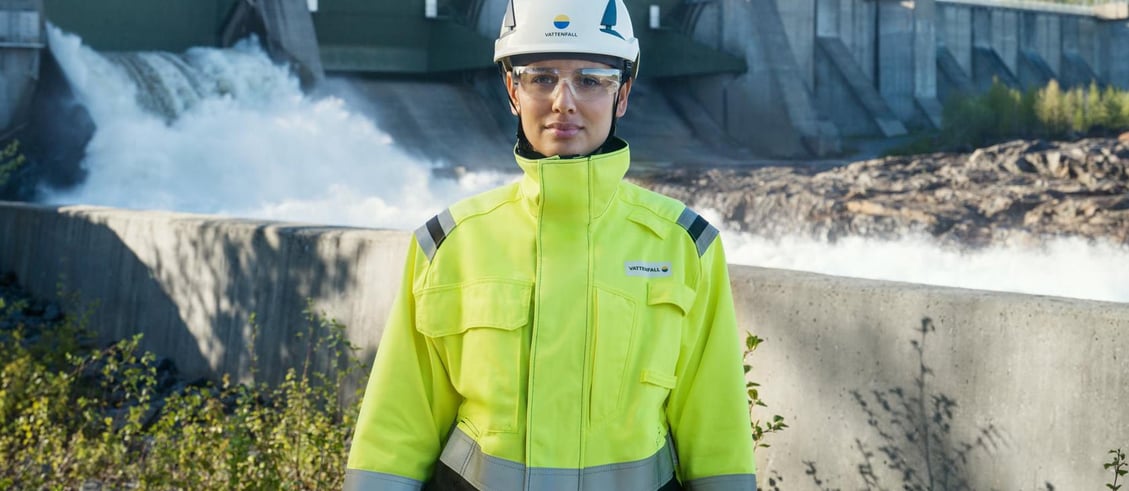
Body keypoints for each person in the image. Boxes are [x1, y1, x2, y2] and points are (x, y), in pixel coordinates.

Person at [344, 0, 757, 489]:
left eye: (590, 79)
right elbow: (396, 430)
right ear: (512, 89)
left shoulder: (685, 247)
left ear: (622, 94)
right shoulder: (449, 243)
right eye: (541, 78)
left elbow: (717, 434)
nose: (564, 101)